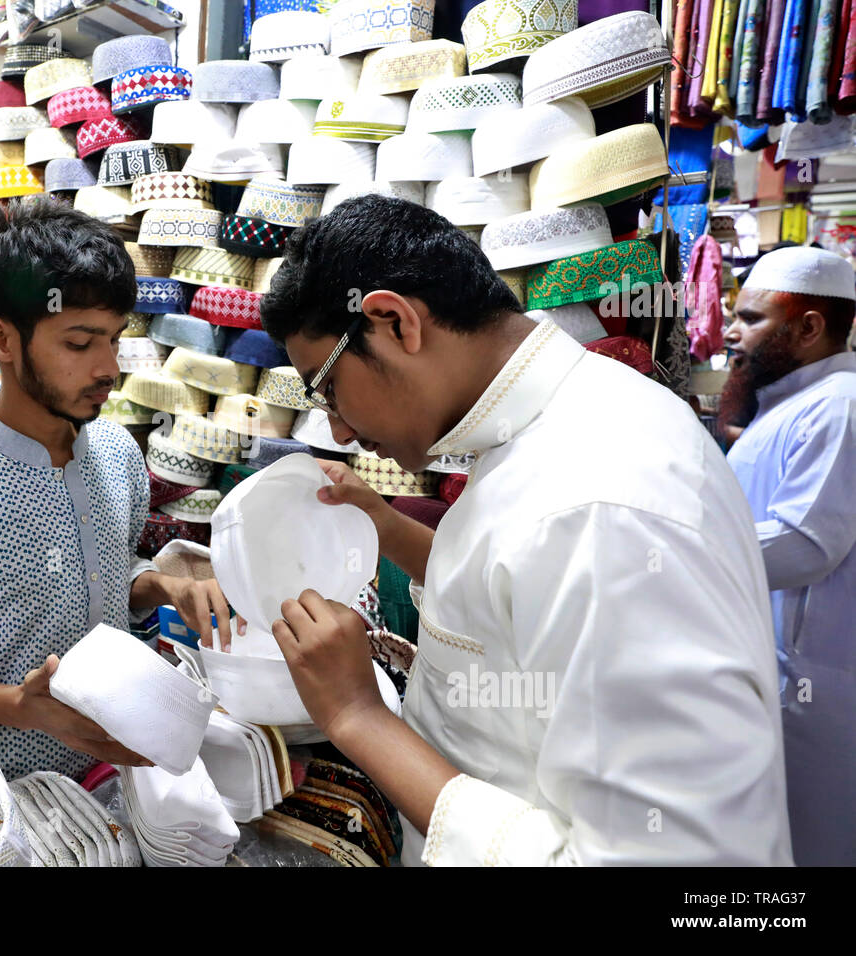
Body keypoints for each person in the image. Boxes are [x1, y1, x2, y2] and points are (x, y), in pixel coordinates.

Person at [252, 195, 791, 865]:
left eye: (326, 388)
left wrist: (357, 717)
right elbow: (511, 594)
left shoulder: (598, 504)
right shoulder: (549, 427)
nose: (336, 428)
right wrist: (386, 528)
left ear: (393, 321)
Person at [0, 199, 238, 782]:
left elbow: (102, 576)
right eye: (79, 343)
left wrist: (159, 586)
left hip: (122, 775)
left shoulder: (117, 454)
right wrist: (21, 707)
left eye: (114, 339)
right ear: (2, 340)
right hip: (2, 790)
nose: (108, 367)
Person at [720, 245, 856, 866]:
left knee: (809, 845)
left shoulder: (840, 404)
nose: (729, 330)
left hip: (810, 682)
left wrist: (683, 549)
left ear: (809, 327)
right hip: (770, 671)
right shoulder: (791, 405)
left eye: (751, 319)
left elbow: (807, 544)